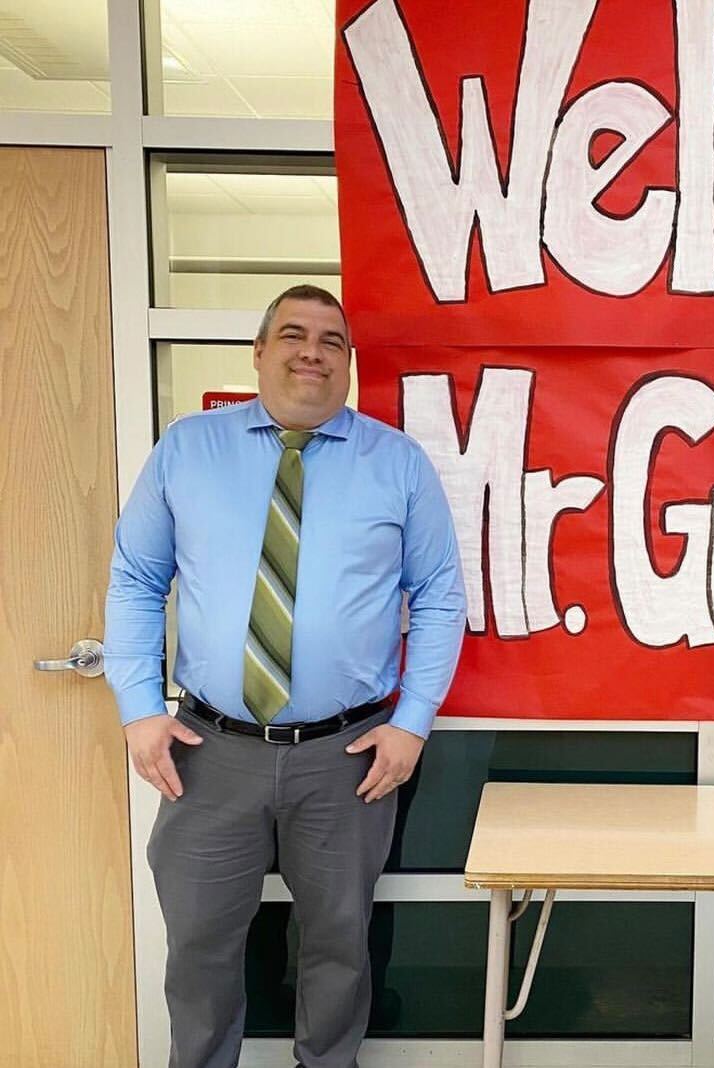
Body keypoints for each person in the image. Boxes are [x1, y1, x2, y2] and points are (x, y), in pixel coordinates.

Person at [104, 284, 466, 1068]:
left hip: (346, 759)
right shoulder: (188, 449)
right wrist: (138, 706)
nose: (312, 351)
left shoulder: (397, 464)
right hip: (208, 751)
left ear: (347, 363)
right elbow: (136, 580)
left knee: (340, 945)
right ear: (260, 353)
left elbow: (440, 597)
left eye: (331, 340)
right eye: (294, 334)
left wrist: (412, 723)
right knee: (200, 948)